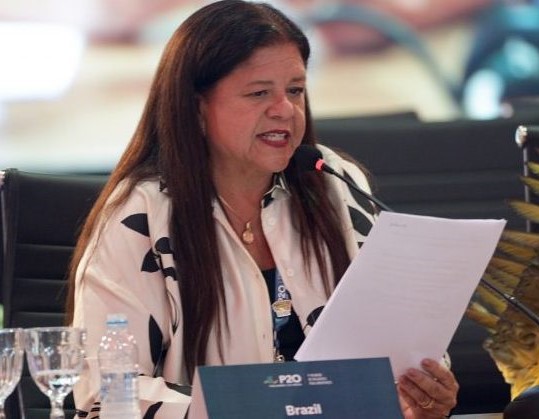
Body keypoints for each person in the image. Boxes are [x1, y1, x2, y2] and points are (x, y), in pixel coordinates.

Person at [66, 1, 459, 417]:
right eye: (259, 93)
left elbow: (395, 337)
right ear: (197, 107)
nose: (285, 110)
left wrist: (422, 391)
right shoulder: (142, 213)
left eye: (295, 90)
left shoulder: (333, 182)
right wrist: (252, 408)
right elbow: (106, 395)